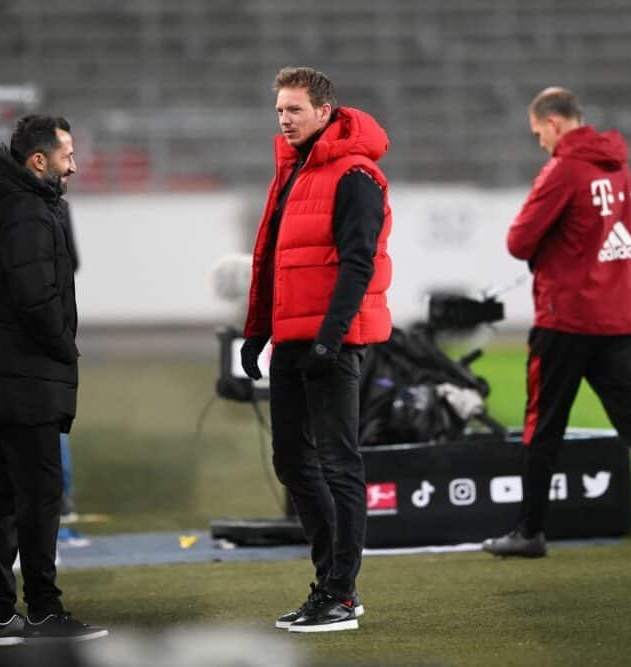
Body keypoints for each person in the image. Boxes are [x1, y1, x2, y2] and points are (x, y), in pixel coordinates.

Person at [483, 87, 631, 559]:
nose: (540, 144)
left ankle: (529, 532)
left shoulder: (563, 169)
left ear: (553, 124)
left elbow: (518, 240)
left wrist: (546, 253)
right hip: (617, 318)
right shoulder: (619, 165)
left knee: (542, 425)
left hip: (566, 320)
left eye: (538, 134)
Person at [240, 67, 393, 632]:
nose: (284, 119)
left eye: (294, 110)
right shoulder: (293, 169)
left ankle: (341, 595)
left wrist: (330, 337)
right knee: (292, 462)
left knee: (339, 464)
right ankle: (331, 583)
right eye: (280, 110)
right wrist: (256, 330)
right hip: (292, 342)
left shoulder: (356, 175)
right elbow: (272, 260)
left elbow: (360, 263)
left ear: (325, 112)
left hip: (332, 343)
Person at [0, 114, 106, 645]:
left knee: (1, 496)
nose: (74, 161)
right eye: (66, 152)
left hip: (0, 374)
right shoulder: (27, 210)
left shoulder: (9, 203)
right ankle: (43, 610)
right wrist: (64, 349)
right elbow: (37, 296)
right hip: (25, 376)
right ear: (38, 160)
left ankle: (0, 615)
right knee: (39, 496)